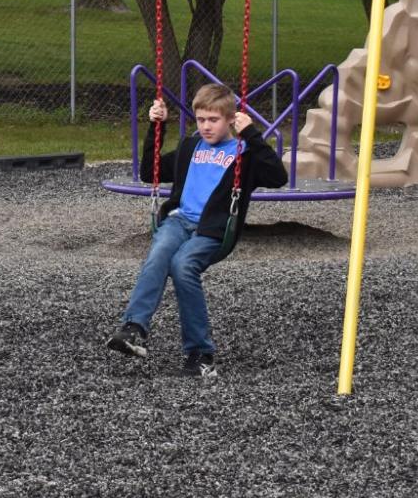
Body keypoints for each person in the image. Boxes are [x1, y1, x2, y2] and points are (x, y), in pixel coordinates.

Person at [107, 81, 288, 376]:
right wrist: (157, 126)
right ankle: (134, 328)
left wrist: (251, 134)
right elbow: (149, 171)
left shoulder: (244, 153)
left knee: (183, 265)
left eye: (213, 120)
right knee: (159, 254)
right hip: (179, 220)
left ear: (231, 119)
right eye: (201, 119)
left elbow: (278, 177)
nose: (206, 126)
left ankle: (201, 354)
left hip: (214, 230)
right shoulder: (190, 147)